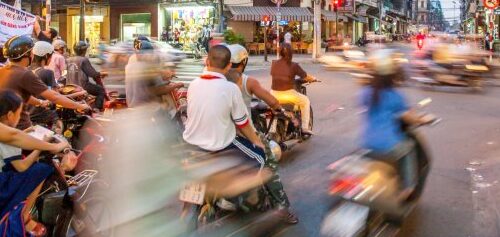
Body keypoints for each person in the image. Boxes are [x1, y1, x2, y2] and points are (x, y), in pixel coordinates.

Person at [183, 45, 298, 224]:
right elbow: (245, 122)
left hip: (192, 143)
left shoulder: (195, 84)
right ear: (238, 63)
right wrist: (258, 140)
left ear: (208, 61)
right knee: (267, 161)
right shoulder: (243, 82)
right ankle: (282, 208)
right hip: (231, 139)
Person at [360, 49, 431, 200]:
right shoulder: (395, 96)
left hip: (366, 143)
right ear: (392, 75)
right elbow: (410, 118)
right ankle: (407, 188)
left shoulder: (366, 92)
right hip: (388, 145)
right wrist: (423, 119)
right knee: (409, 148)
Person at [0, 35, 90, 130]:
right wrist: (80, 106)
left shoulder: (3, 70)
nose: (32, 54)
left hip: (7, 127)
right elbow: (55, 97)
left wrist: (40, 102)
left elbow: (20, 95)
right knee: (61, 143)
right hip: (21, 127)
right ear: (27, 55)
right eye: (31, 52)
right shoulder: (25, 74)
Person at [0, 90, 53, 236]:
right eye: (19, 113)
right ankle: (24, 214)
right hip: (2, 186)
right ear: (10, 115)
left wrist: (27, 132)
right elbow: (21, 166)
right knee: (42, 169)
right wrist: (40, 147)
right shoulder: (9, 136)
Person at [226, 44, 282, 119]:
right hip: (245, 128)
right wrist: (279, 108)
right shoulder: (248, 81)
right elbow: (273, 102)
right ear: (244, 61)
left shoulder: (218, 78)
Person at [270, 44, 314, 134]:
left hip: (273, 94)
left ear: (280, 52)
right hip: (288, 94)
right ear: (291, 53)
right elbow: (305, 77)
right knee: (305, 101)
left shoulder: (274, 64)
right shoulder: (294, 65)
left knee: (272, 109)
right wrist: (313, 79)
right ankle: (305, 128)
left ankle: (272, 130)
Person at [125, 40, 182, 107]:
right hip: (146, 110)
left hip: (132, 105)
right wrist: (176, 85)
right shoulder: (148, 67)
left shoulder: (130, 66)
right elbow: (160, 90)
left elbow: (146, 84)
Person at [67, 41, 107, 111]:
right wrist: (101, 73)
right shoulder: (83, 60)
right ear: (84, 50)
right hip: (82, 86)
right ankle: (96, 109)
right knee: (101, 90)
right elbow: (92, 74)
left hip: (69, 87)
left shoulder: (69, 59)